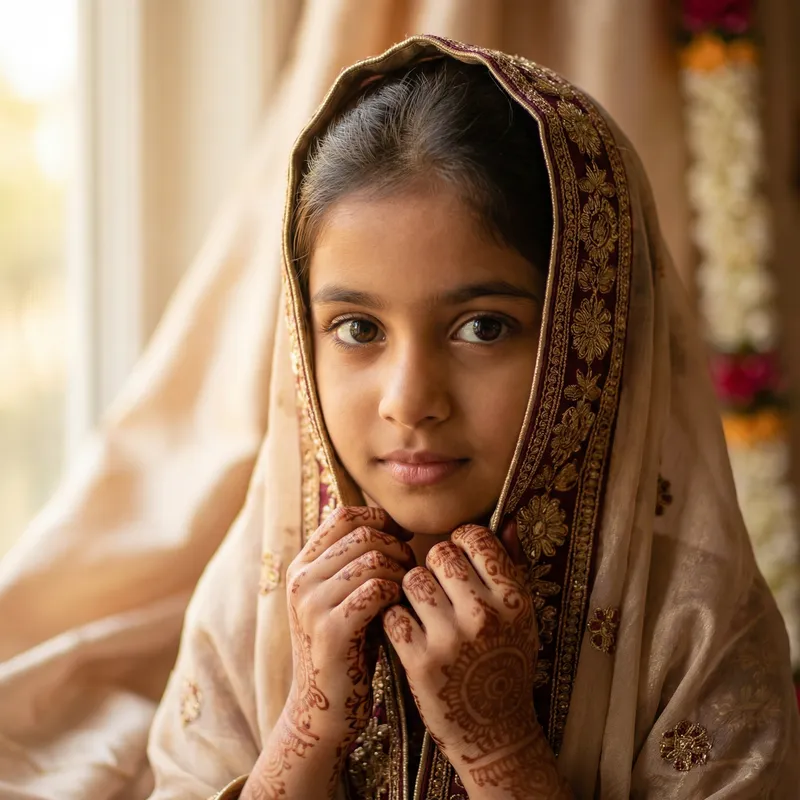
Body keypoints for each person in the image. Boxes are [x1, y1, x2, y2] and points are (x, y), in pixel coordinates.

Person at [4, 35, 799, 800]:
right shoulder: (259, 591)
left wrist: (499, 749)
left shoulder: (693, 627)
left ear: (589, 330)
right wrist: (308, 723)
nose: (409, 399)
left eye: (482, 326)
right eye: (358, 329)